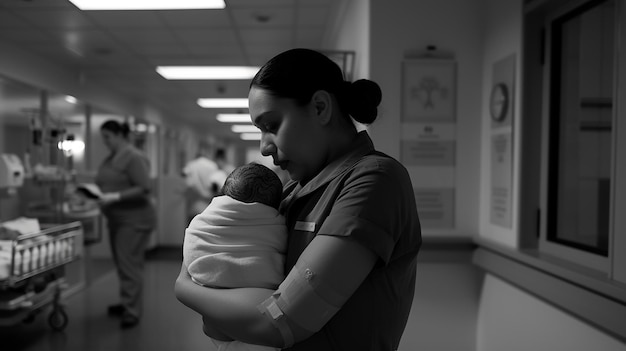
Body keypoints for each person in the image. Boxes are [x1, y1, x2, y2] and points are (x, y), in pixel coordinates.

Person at [175, 48, 421, 350]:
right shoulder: (291, 192)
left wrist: (184, 287)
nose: (264, 147)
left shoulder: (375, 180)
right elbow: (223, 320)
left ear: (319, 107)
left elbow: (278, 323)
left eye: (272, 126)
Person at [183, 162, 287, 351]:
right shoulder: (272, 220)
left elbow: (195, 237)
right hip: (256, 307)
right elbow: (278, 240)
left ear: (223, 193)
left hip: (211, 292)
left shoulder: (207, 218)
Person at [95, 120, 156, 329]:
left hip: (135, 220)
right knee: (123, 264)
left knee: (130, 266)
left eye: (107, 137)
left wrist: (116, 197)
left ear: (120, 135)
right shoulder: (111, 158)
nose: (105, 142)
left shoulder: (133, 156)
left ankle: (132, 311)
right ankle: (126, 302)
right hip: (117, 219)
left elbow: (144, 187)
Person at [182, 147, 220, 223]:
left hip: (194, 205)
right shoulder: (212, 165)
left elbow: (188, 183)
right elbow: (216, 185)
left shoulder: (191, 165)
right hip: (209, 205)